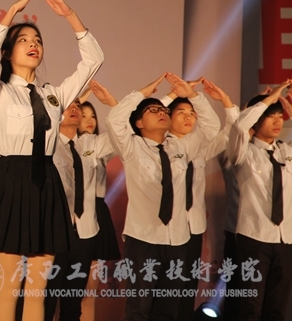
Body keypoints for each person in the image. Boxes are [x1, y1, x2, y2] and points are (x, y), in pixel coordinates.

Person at [0, 0, 104, 321]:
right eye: (24, 40)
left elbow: (94, 60)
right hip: (11, 181)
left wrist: (70, 16)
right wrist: (11, 14)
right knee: (9, 287)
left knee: (37, 289)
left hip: (47, 183)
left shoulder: (53, 95)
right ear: (8, 52)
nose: (33, 44)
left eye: (37, 40)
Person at [105, 74, 219, 321]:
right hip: (143, 240)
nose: (162, 113)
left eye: (164, 110)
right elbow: (114, 119)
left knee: (168, 311)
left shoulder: (181, 147)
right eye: (153, 110)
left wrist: (193, 96)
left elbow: (211, 127)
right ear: (139, 123)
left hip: (178, 240)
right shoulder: (131, 147)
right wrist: (142, 94)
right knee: (138, 310)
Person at [158, 80, 238, 321]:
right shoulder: (155, 145)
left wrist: (224, 102)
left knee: (186, 289)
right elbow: (140, 120)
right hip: (164, 228)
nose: (188, 117)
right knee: (163, 291)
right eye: (181, 112)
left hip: (193, 228)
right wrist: (172, 95)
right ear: (167, 117)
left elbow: (227, 133)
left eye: (192, 113)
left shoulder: (199, 146)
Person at [45, 93, 115, 321]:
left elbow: (122, 134)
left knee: (73, 302)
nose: (75, 109)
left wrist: (112, 104)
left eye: (78, 105)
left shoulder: (89, 144)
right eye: (69, 106)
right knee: (46, 300)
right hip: (54, 234)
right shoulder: (47, 143)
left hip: (85, 233)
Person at [227, 81, 292, 321]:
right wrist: (268, 99)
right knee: (250, 307)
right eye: (270, 116)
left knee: (277, 308)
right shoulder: (243, 151)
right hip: (254, 237)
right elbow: (239, 126)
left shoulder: (286, 152)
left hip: (286, 239)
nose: (277, 122)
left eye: (280, 116)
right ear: (256, 122)